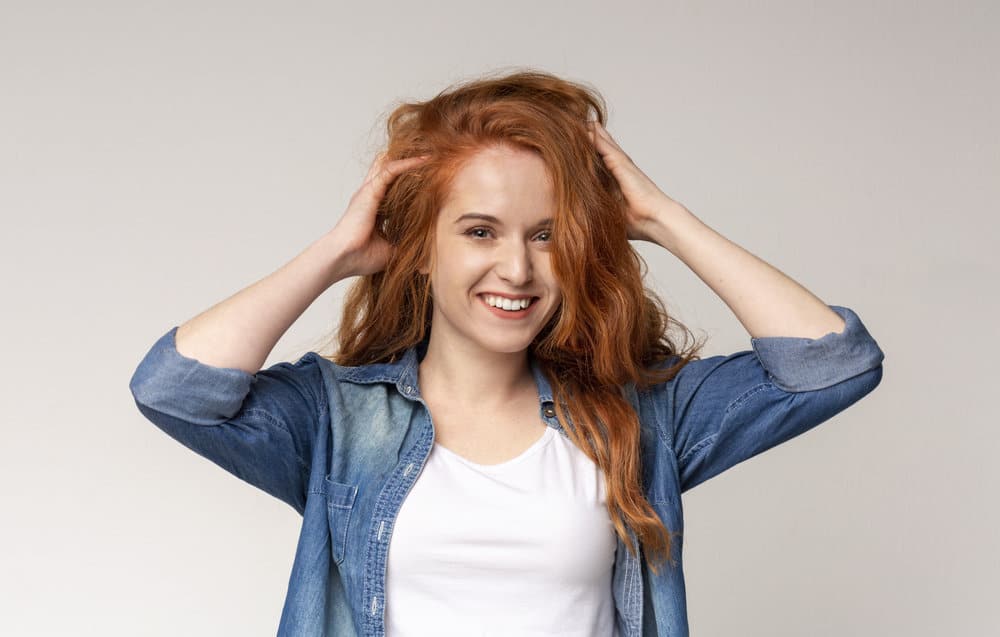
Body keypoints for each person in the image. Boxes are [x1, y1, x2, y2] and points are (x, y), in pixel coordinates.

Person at [129, 69, 885, 637]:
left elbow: (833, 363)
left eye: (547, 233)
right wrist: (334, 254)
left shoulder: (637, 416)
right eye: (480, 231)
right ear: (422, 249)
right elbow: (174, 387)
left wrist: (661, 216)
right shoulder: (337, 420)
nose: (518, 270)